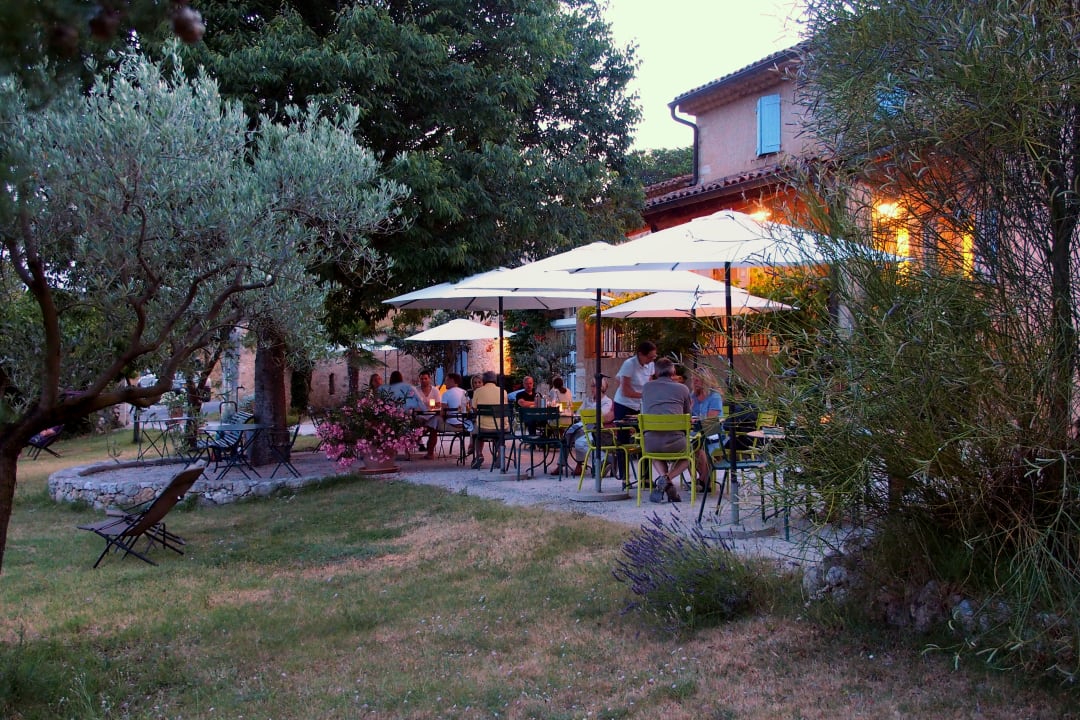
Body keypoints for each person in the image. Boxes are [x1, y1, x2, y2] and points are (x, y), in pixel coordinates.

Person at [640, 357, 692, 503]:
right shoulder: (683, 389)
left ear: (655, 372)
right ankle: (667, 478)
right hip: (676, 442)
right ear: (673, 372)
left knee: (655, 453)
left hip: (650, 443)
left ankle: (664, 479)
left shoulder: (646, 387)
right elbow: (687, 416)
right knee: (690, 455)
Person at [560, 375, 614, 477]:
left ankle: (602, 460)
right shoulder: (588, 400)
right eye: (591, 386)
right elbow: (579, 413)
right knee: (567, 434)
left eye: (594, 386)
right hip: (584, 426)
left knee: (579, 441)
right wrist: (587, 415)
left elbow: (600, 416)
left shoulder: (607, 401)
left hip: (596, 429)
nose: (591, 388)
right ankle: (561, 464)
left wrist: (587, 415)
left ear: (601, 387)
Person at [690, 368, 724, 493]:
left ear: (705, 381)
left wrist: (695, 419)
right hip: (696, 432)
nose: (694, 383)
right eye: (693, 380)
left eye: (697, 380)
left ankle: (703, 480)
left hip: (712, 431)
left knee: (701, 447)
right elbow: (687, 415)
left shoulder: (714, 396)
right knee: (688, 447)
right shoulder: (692, 396)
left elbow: (711, 419)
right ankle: (703, 479)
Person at [469, 370, 509, 469]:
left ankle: (479, 455)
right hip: (502, 427)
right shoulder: (503, 391)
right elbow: (505, 407)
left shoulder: (478, 391)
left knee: (476, 434)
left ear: (484, 380)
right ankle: (500, 455)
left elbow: (474, 409)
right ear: (495, 380)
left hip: (483, 427)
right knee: (499, 434)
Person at [613, 340, 657, 420]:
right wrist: (646, 395)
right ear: (640, 354)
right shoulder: (629, 364)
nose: (652, 360)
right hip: (624, 404)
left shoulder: (651, 364)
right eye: (649, 357)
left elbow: (649, 384)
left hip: (639, 404)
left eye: (654, 357)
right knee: (624, 428)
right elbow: (625, 391)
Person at [415, 371, 442, 459]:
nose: (423, 380)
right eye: (422, 379)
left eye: (425, 378)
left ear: (429, 379)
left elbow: (439, 404)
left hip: (431, 415)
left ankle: (429, 452)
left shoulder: (435, 390)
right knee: (425, 424)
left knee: (434, 427)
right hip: (419, 415)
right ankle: (418, 437)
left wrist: (433, 405)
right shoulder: (415, 390)